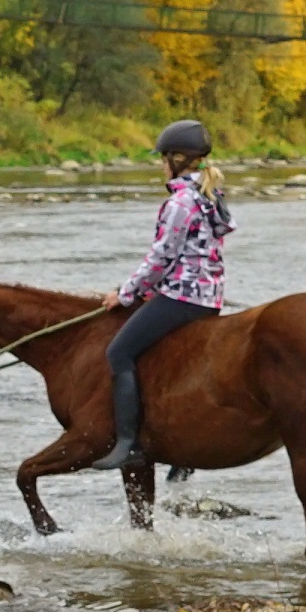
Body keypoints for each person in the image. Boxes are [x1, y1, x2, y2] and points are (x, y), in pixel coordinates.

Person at [96, 120, 230, 469]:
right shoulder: (209, 195)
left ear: (179, 159)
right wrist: (148, 291)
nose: (160, 165)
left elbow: (161, 257)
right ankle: (181, 457)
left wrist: (124, 294)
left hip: (183, 297)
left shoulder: (180, 202)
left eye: (163, 158)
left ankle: (128, 443)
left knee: (119, 352)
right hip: (210, 297)